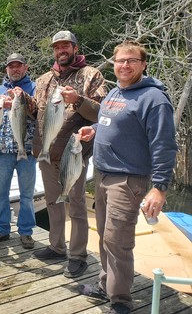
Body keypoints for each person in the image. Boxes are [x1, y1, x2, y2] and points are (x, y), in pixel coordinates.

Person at [77, 41, 177, 314]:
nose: (124, 65)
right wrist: (94, 129)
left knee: (117, 240)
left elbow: (164, 145)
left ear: (143, 64)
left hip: (128, 180)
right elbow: (112, 122)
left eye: (131, 60)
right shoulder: (115, 93)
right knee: (104, 237)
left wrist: (159, 188)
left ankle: (120, 301)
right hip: (103, 175)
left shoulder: (154, 100)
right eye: (120, 61)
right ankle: (105, 285)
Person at [29, 30, 107, 278]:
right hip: (46, 154)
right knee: (53, 202)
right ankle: (56, 246)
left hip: (74, 154)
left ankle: (78, 255)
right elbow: (36, 114)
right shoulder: (43, 80)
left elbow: (101, 114)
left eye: (65, 46)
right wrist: (20, 102)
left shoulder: (90, 75)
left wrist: (79, 99)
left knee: (76, 205)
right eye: (57, 47)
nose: (61, 50)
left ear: (75, 47)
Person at [0, 53, 38, 250]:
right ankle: (2, 228)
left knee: (26, 194)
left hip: (27, 150)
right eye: (11, 66)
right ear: (6, 69)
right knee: (1, 194)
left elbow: (39, 114)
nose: (15, 69)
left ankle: (26, 232)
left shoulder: (34, 88)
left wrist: (22, 98)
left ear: (25, 67)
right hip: (2, 150)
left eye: (18, 65)